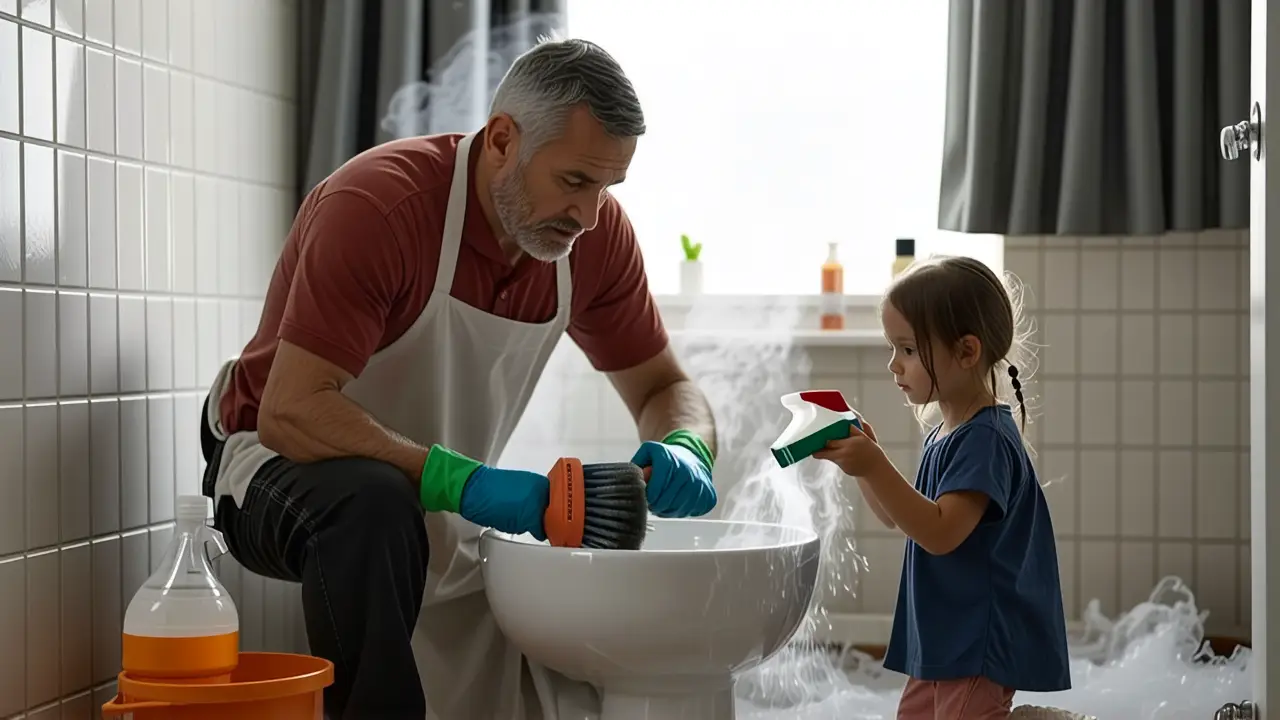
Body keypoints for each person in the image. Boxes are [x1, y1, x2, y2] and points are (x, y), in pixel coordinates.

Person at [197, 38, 719, 719]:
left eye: (607, 188)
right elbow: (290, 412)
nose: (590, 215)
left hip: (428, 494)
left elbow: (664, 388)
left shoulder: (592, 240)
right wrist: (461, 483)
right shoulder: (380, 209)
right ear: (502, 139)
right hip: (266, 464)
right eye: (573, 182)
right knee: (374, 503)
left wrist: (687, 443)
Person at [813, 256, 1071, 720]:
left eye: (908, 350)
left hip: (978, 642)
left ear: (967, 351)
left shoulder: (986, 438)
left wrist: (876, 464)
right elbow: (899, 517)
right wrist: (868, 467)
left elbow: (940, 532)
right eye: (893, 347)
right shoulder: (948, 432)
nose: (894, 364)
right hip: (943, 637)